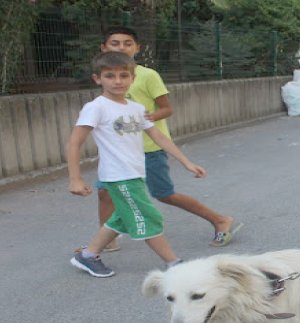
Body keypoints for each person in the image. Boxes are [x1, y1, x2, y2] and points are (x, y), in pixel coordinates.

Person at [98, 26, 240, 250]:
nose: (122, 47)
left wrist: (141, 119)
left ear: (137, 48)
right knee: (105, 192)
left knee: (164, 195)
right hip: (119, 152)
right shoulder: (106, 75)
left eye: (127, 43)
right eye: (115, 43)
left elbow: (166, 109)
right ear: (104, 47)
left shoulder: (147, 76)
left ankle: (220, 220)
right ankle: (105, 242)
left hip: (150, 148)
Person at [67, 51, 207, 277]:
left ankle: (88, 256)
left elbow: (159, 137)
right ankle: (175, 264)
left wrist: (186, 162)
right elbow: (75, 142)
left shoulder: (136, 108)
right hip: (118, 176)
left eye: (124, 75)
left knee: (121, 218)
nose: (118, 81)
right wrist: (75, 178)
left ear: (132, 78)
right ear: (97, 79)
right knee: (148, 216)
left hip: (135, 173)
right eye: (110, 76)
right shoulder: (97, 107)